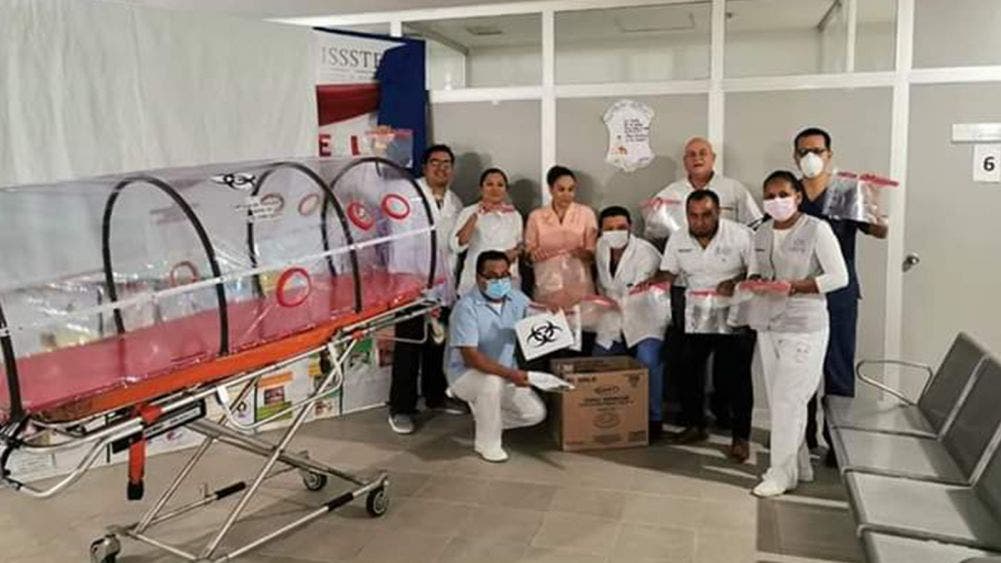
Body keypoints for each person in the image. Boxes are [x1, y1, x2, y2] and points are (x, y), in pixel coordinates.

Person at [746, 170, 848, 497]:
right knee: (780, 401)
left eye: (783, 195)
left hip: (804, 326)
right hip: (768, 323)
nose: (776, 201)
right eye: (770, 196)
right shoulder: (761, 232)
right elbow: (756, 270)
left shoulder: (817, 229)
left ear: (798, 197)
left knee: (789, 400)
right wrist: (754, 282)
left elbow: (839, 277)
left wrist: (796, 286)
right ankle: (799, 466)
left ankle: (779, 474)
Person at [793, 127, 888, 464]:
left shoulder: (846, 193)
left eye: (817, 151)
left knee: (838, 369)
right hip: (801, 293)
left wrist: (872, 201)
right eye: (804, 151)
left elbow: (879, 231)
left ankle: (838, 445)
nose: (810, 157)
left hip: (840, 295)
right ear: (795, 157)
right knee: (800, 368)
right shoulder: (791, 194)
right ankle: (801, 439)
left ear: (829, 155)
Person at [651, 190, 756, 462]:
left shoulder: (741, 235)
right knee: (688, 368)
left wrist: (735, 281)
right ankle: (695, 425)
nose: (700, 221)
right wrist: (650, 282)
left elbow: (756, 272)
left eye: (706, 215)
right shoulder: (678, 238)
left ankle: (740, 437)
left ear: (718, 211)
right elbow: (669, 271)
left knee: (735, 376)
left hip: (734, 310)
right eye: (694, 216)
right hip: (696, 310)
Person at [388, 144, 466, 435]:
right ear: (424, 167)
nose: (441, 168)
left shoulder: (455, 202)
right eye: (435, 162)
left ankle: (435, 396)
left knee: (436, 344)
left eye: (447, 163)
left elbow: (454, 247)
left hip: (443, 285)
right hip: (411, 284)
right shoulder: (407, 193)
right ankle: (401, 408)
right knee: (408, 347)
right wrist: (415, 283)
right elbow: (401, 241)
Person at [446, 250, 546, 462]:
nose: (498, 281)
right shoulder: (466, 308)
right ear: (478, 277)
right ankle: (487, 444)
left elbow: (536, 318)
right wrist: (511, 374)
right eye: (491, 276)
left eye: (503, 276)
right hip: (466, 375)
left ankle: (485, 415)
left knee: (534, 413)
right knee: (490, 382)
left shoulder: (516, 298)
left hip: (506, 372)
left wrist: (555, 315)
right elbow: (471, 358)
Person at [591, 206, 667, 441]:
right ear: (601, 231)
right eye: (609, 228)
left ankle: (654, 418)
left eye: (621, 227)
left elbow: (639, 290)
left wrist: (617, 303)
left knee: (647, 360)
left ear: (631, 228)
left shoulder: (645, 253)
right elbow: (602, 283)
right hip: (613, 316)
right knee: (599, 360)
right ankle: (609, 414)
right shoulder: (601, 247)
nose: (615, 232)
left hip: (646, 315)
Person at [646, 137, 763, 240]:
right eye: (692, 154)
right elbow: (655, 235)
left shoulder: (734, 189)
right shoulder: (668, 195)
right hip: (684, 254)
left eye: (703, 153)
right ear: (685, 161)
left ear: (713, 158)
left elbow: (755, 227)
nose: (697, 158)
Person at [524, 165, 598, 311]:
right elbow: (528, 252)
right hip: (547, 282)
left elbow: (592, 251)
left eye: (571, 189)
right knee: (550, 320)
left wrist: (584, 253)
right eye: (561, 189)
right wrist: (534, 255)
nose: (567, 194)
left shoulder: (586, 214)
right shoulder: (536, 217)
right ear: (551, 189)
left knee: (580, 319)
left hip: (579, 280)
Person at [450, 168, 523, 296]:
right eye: (489, 184)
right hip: (476, 279)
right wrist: (476, 215)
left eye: (500, 185)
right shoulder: (468, 212)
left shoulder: (514, 215)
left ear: (506, 189)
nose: (495, 189)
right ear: (481, 188)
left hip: (507, 279)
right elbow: (457, 245)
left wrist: (515, 253)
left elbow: (521, 244)